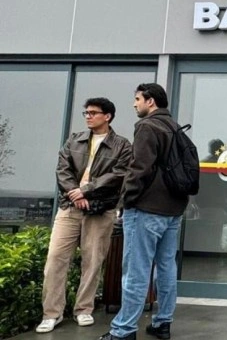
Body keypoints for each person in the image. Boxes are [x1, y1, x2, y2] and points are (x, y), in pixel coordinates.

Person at [100, 84, 189, 340]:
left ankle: (124, 330)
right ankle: (163, 323)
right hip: (173, 209)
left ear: (150, 101)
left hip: (146, 208)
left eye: (138, 99)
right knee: (166, 267)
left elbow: (139, 168)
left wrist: (125, 202)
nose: (134, 104)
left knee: (136, 270)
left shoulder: (147, 126)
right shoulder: (175, 127)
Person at [36, 98, 131, 333]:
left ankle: (83, 309)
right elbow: (62, 169)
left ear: (107, 116)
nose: (88, 116)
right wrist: (75, 193)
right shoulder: (74, 139)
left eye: (93, 112)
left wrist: (86, 190)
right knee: (55, 258)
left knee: (93, 261)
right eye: (86, 113)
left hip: (100, 210)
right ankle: (52, 313)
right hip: (70, 207)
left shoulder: (122, 145)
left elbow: (118, 175)